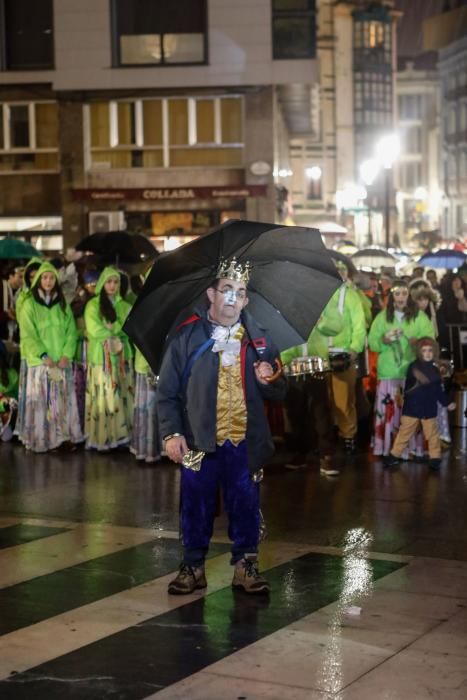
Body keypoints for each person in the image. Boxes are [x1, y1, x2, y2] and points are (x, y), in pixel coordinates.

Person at [157, 257, 286, 595]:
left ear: (246, 300)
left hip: (245, 441)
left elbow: (280, 390)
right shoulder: (185, 337)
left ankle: (246, 566)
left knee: (246, 503)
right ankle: (193, 566)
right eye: (226, 289)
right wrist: (172, 433)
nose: (233, 298)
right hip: (199, 441)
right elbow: (167, 393)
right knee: (194, 503)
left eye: (240, 292)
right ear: (211, 294)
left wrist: (269, 378)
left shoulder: (259, 341)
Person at [19, 262, 83, 452]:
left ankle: (62, 438)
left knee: (61, 401)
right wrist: (43, 355)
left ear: (56, 281)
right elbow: (28, 334)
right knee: (43, 402)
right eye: (45, 277)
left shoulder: (62, 304)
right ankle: (42, 439)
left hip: (61, 363)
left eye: (52, 278)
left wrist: (66, 355)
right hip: (41, 363)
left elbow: (72, 332)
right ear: (38, 280)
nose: (48, 281)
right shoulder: (29, 304)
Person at [369, 279, 435, 457]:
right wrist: (383, 340)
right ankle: (389, 448)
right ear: (392, 296)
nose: (400, 297)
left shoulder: (419, 317)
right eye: (397, 294)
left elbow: (430, 340)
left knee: (411, 412)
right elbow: (372, 343)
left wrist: (419, 344)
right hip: (389, 373)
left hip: (412, 373)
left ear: (409, 296)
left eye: (404, 294)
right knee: (390, 411)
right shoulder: (382, 317)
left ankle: (412, 448)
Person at [281, 297, 343, 476]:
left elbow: (337, 326)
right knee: (296, 414)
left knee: (321, 413)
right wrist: (285, 361)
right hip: (295, 369)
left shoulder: (323, 305)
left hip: (317, 367)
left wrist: (321, 321)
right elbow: (284, 341)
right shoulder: (287, 310)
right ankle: (300, 454)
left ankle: (326, 456)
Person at [384, 338, 455, 470]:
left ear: (434, 352)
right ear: (419, 352)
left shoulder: (434, 370)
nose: (428, 353)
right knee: (404, 433)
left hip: (428, 408)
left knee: (432, 434)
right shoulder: (413, 367)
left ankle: (435, 457)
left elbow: (438, 390)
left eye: (430, 350)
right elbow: (427, 383)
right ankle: (394, 455)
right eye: (424, 351)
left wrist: (447, 402)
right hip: (412, 407)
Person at [84, 267, 134, 451]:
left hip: (123, 359)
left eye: (116, 282)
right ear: (102, 283)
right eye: (109, 282)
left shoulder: (126, 306)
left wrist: (113, 328)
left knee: (123, 396)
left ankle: (123, 437)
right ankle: (104, 438)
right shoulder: (92, 305)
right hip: (101, 360)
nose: (112, 286)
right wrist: (114, 330)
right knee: (104, 399)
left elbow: (129, 327)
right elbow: (93, 329)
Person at [328, 261, 366, 454]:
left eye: (341, 271)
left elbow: (359, 326)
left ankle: (348, 436)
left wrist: (354, 349)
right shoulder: (319, 294)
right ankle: (329, 436)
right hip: (321, 355)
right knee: (324, 401)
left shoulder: (351, 296)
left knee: (344, 400)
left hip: (343, 356)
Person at [0, 264, 23, 342]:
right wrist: (8, 315)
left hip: (15, 334)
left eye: (24, 277)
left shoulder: (23, 292)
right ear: (11, 276)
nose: (22, 280)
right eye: (20, 277)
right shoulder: (2, 287)